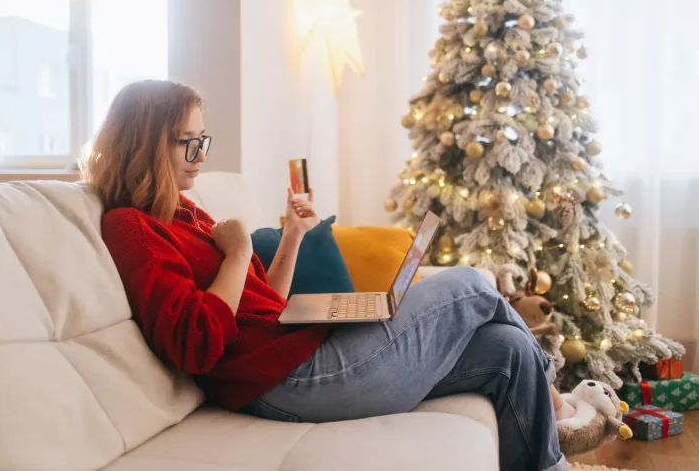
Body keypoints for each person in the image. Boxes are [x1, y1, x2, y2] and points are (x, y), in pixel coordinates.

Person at [83, 80, 581, 471]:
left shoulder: (182, 213)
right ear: (146, 145)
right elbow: (197, 344)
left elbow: (264, 305)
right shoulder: (131, 227)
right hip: (284, 382)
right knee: (471, 282)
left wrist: (295, 235)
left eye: (202, 140)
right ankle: (562, 408)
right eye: (187, 143)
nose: (201, 156)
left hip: (298, 350)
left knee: (507, 351)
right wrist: (235, 256)